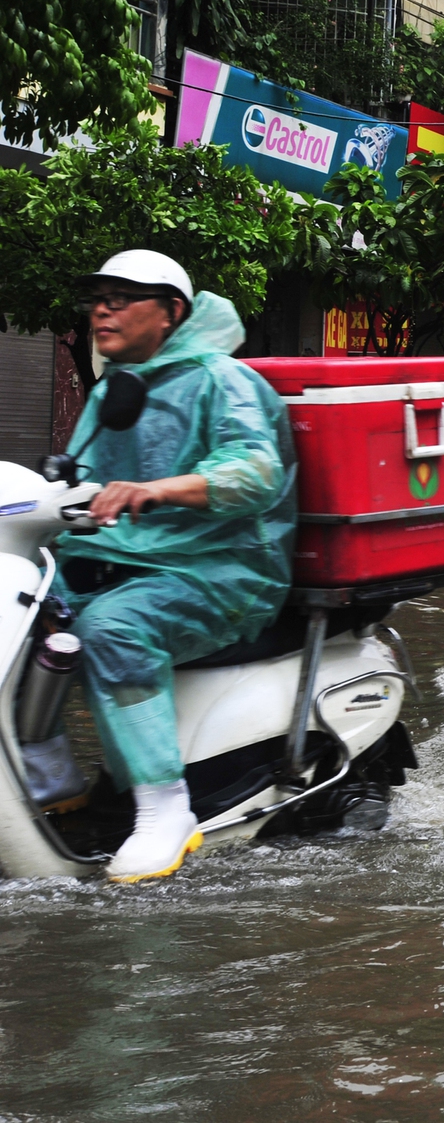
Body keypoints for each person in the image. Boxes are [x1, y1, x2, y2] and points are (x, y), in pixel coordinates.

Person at [56, 251, 295, 883]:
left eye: (123, 297)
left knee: (110, 627)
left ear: (172, 313)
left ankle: (165, 808)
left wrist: (155, 489)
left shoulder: (223, 379)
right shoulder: (114, 386)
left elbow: (255, 473)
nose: (103, 309)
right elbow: (75, 480)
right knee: (33, 603)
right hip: (134, 560)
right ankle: (48, 764)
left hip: (226, 570)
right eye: (98, 297)